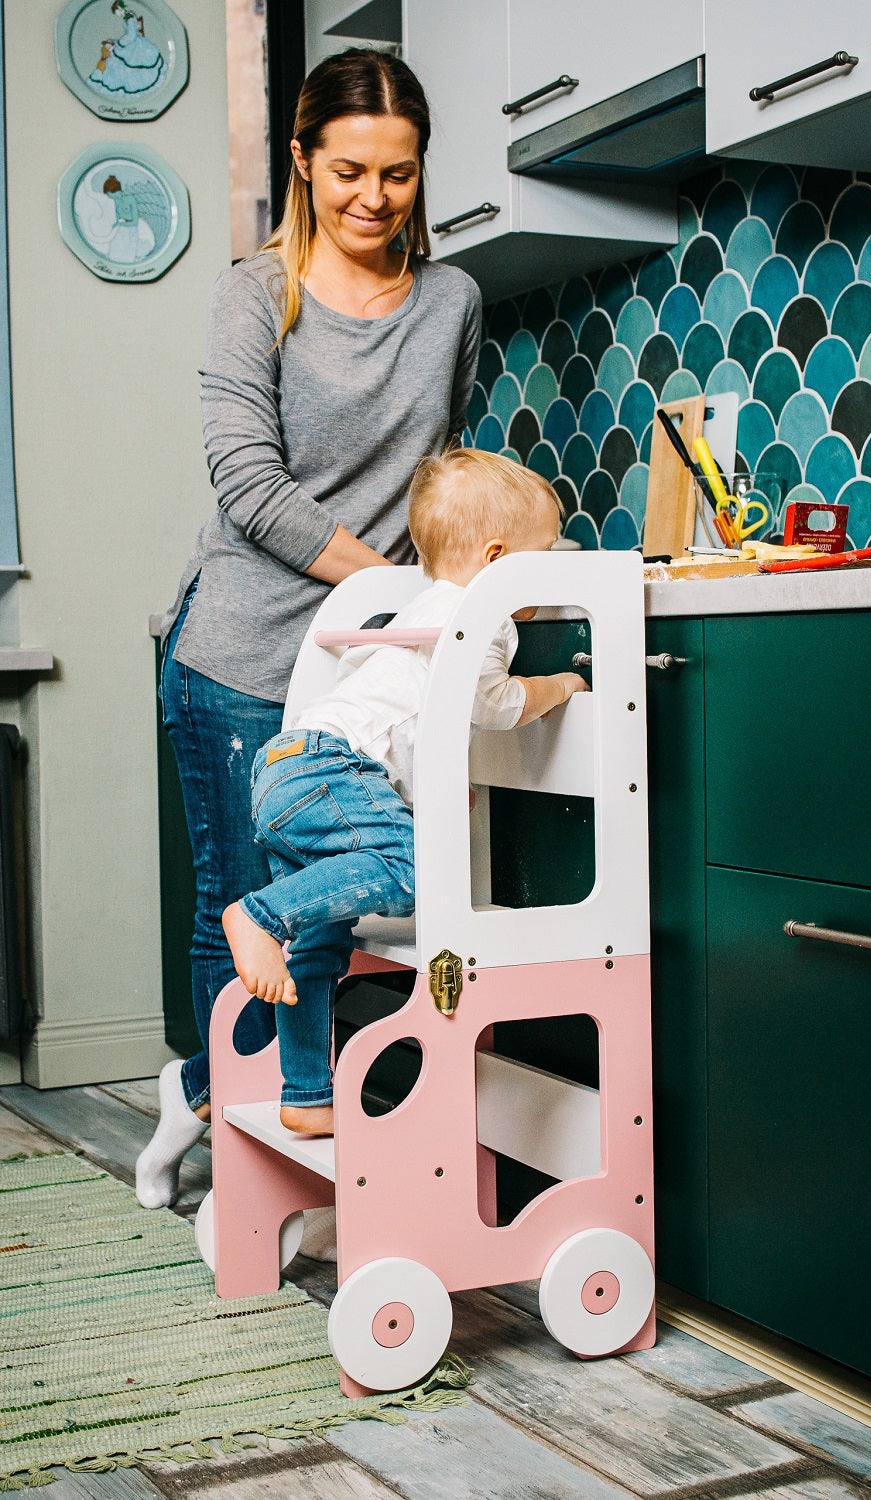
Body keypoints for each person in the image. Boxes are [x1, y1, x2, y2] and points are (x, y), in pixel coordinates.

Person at [136, 49, 482, 1209]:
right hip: (244, 651)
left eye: (398, 173)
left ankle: (228, 1101)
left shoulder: (452, 301)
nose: (374, 198)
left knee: (337, 908)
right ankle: (232, 1140)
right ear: (301, 160)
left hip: (368, 674)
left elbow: (439, 469)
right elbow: (250, 485)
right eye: (348, 171)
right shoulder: (255, 292)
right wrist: (396, 597)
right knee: (241, 899)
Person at [221, 449, 589, 1136]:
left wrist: (436, 791)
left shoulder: (413, 608)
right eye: (541, 557)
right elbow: (494, 704)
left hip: (288, 765)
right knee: (417, 868)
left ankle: (306, 1095)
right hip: (331, 770)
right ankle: (260, 916)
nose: (546, 574)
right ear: (496, 559)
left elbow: (409, 719)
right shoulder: (482, 617)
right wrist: (562, 685)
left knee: (318, 948)